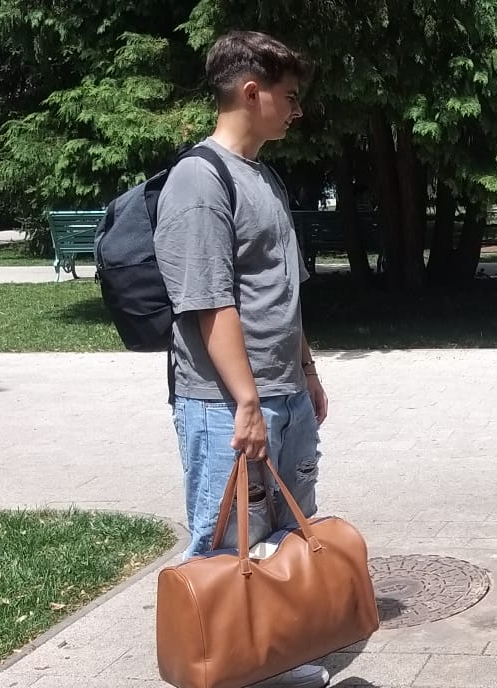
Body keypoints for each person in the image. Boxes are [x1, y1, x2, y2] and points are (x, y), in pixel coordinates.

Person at [153, 30, 330, 688]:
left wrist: (307, 372)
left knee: (283, 536)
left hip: (285, 393)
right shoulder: (200, 181)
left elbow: (283, 292)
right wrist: (248, 403)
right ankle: (215, 668)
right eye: (290, 96)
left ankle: (268, 657)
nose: (297, 110)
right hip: (223, 404)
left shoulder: (264, 175)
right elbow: (209, 303)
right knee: (223, 545)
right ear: (252, 93)